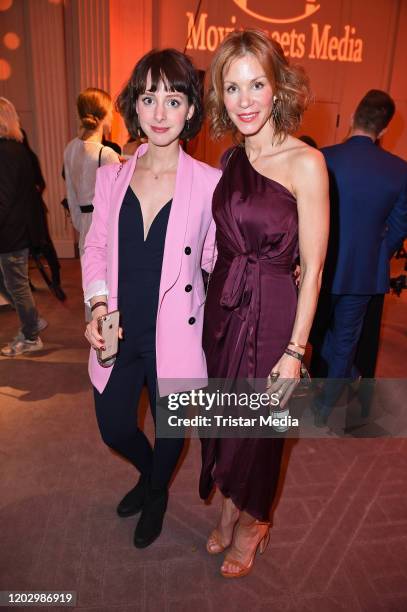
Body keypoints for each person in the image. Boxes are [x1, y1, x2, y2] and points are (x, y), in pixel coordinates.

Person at [200, 29, 329, 578]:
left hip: (275, 308)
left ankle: (253, 522)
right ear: (221, 97)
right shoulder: (230, 156)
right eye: (233, 88)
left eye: (257, 84)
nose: (245, 99)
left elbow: (315, 265)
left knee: (260, 430)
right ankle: (231, 501)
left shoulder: (306, 163)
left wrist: (296, 350)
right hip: (223, 306)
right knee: (226, 419)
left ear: (277, 89)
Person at [81, 49, 221, 549]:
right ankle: (149, 476)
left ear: (190, 110)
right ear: (134, 107)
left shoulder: (210, 185)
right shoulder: (111, 176)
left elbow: (215, 258)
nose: (160, 113)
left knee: (170, 431)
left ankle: (156, 491)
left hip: (177, 333)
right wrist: (97, 305)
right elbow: (96, 245)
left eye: (174, 99)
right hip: (119, 326)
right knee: (114, 426)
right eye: (148, 98)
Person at [310, 90, 407, 422]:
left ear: (352, 116)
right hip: (365, 272)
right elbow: (399, 225)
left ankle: (343, 374)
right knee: (346, 339)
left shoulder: (323, 158)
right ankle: (327, 405)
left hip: (321, 266)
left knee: (311, 332)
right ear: (382, 130)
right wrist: (378, 253)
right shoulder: (399, 170)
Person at [0, 98, 44, 356]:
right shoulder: (18, 149)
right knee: (11, 284)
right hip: (16, 231)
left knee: (16, 285)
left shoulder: (6, 152)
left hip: (11, 233)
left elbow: (2, 200)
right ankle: (32, 321)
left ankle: (31, 336)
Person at [63, 87, 120, 257]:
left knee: (91, 282)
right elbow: (120, 203)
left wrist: (83, 225)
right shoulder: (106, 154)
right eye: (111, 111)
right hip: (106, 235)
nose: (112, 116)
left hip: (85, 233)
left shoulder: (70, 148)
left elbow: (71, 197)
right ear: (103, 116)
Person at [22, 130, 66, 302]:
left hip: (34, 210)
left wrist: (32, 193)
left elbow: (41, 183)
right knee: (23, 248)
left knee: (44, 244)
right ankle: (27, 283)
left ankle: (56, 279)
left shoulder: (28, 157)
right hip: (24, 210)